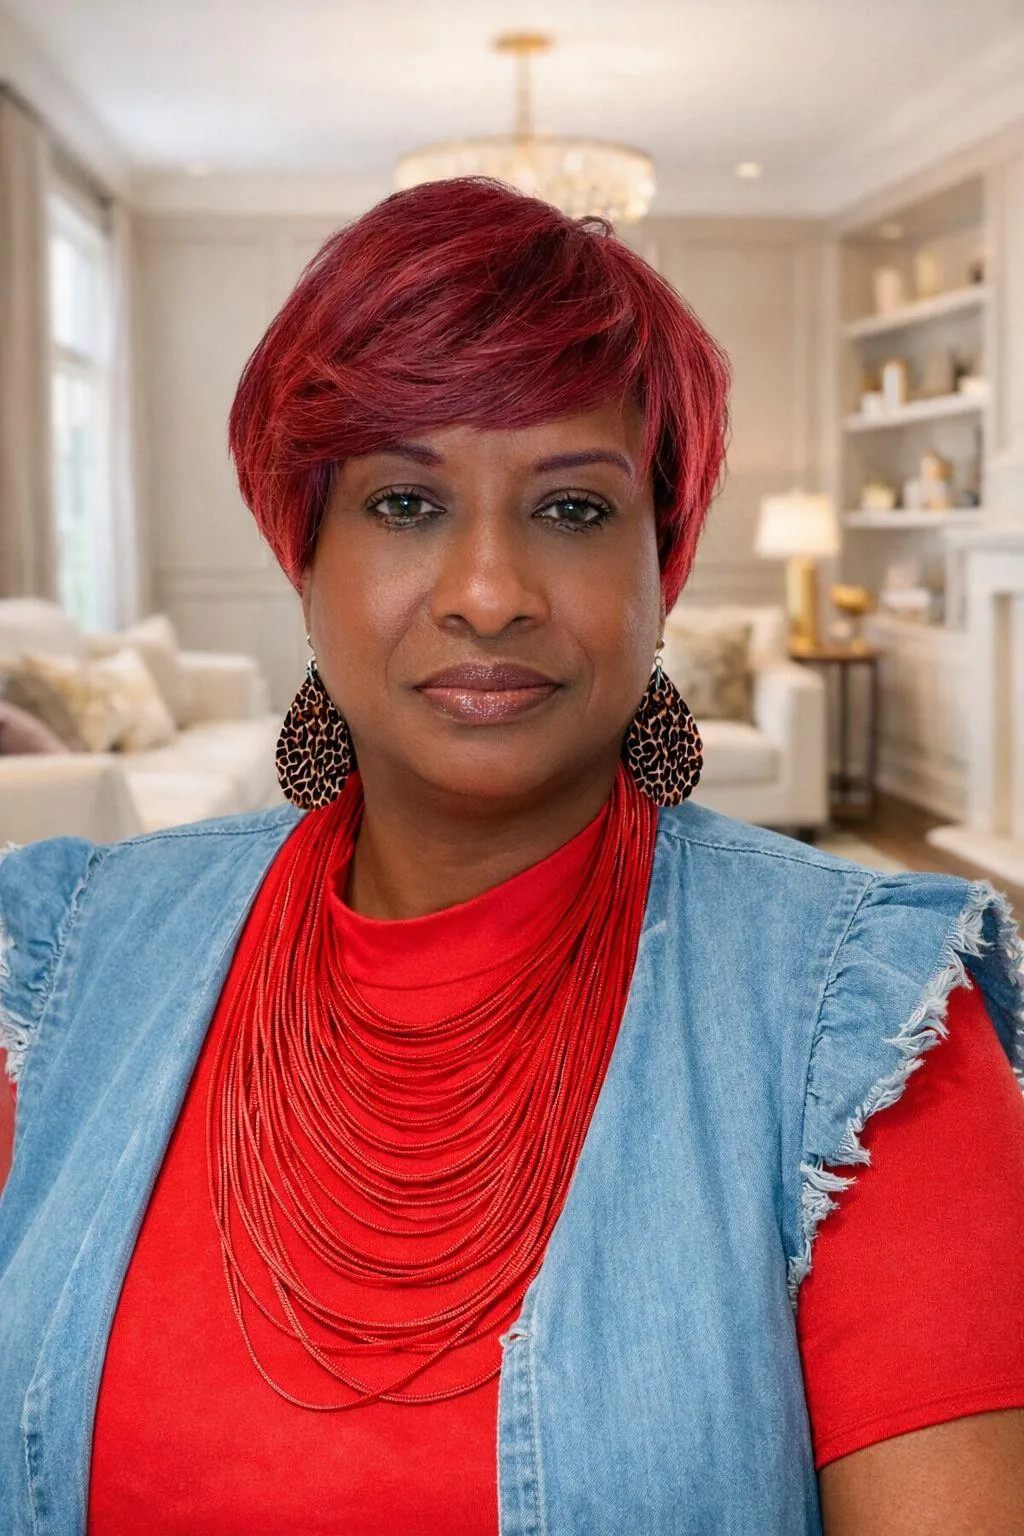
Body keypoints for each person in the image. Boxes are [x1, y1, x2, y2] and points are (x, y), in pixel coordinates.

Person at [1, 177, 1023, 1536]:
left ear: (664, 567)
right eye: (404, 502)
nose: (489, 593)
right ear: (303, 558)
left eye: (575, 511)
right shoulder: (63, 963)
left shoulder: (867, 1020)